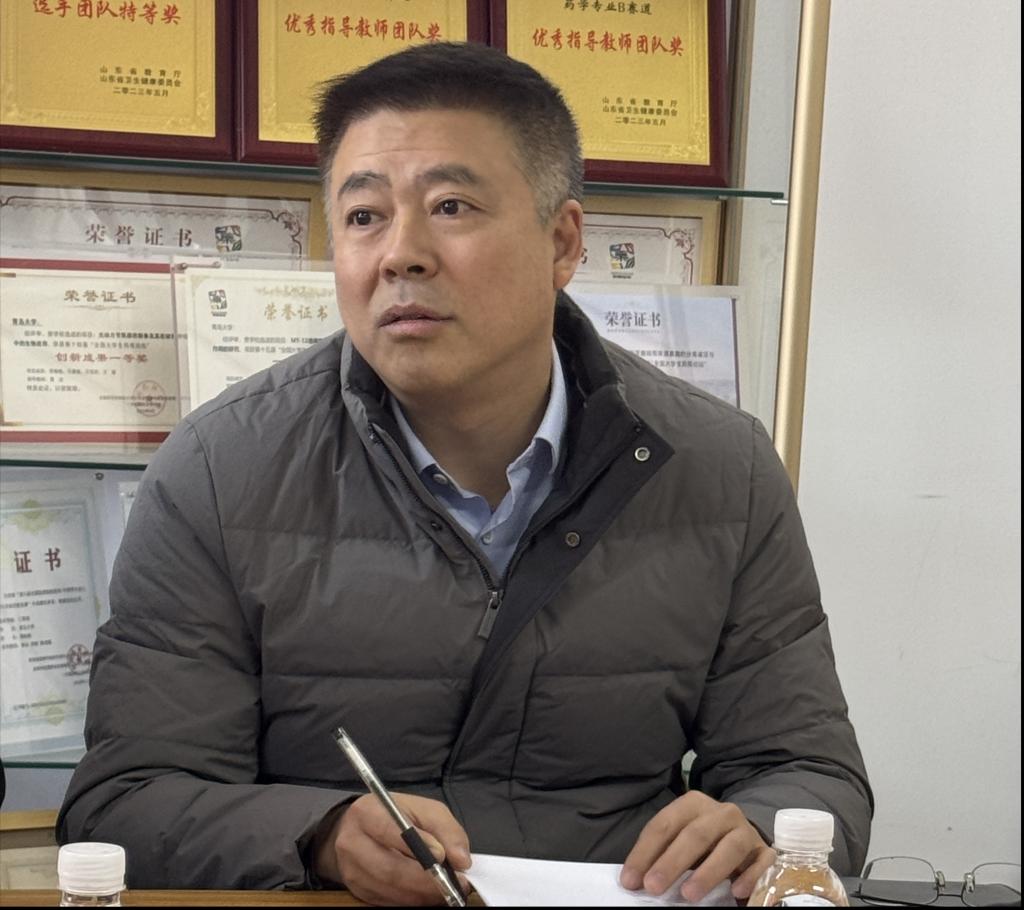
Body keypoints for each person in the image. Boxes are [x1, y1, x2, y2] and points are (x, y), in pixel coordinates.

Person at [58, 41, 872, 905]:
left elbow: (810, 774)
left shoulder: (721, 468)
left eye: (450, 206)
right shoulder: (221, 470)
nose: (400, 254)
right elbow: (127, 802)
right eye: (363, 216)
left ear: (562, 241)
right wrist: (319, 836)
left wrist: (758, 827)